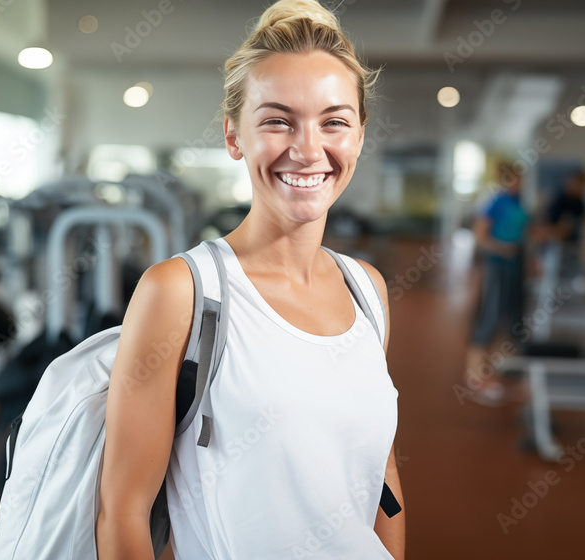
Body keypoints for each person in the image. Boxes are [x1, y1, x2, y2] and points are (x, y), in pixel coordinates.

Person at [95, 2, 405, 559]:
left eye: (334, 121)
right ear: (234, 136)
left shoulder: (369, 291)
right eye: (278, 120)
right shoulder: (179, 293)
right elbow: (122, 510)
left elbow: (381, 476)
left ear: (359, 136)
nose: (308, 149)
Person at [463, 164, 528, 406]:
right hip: (496, 267)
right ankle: (473, 377)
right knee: (487, 318)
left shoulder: (518, 202)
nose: (519, 183)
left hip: (515, 269)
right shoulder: (495, 202)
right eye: (516, 179)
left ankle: (495, 375)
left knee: (511, 321)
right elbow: (480, 237)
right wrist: (502, 248)